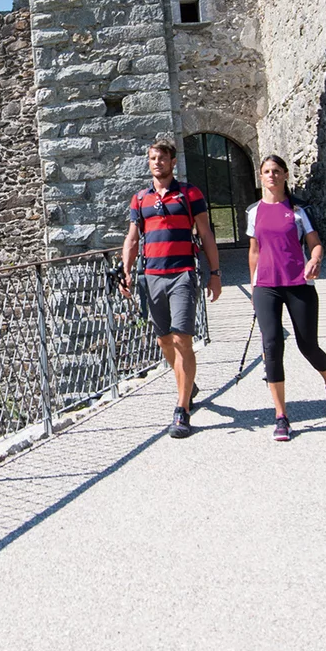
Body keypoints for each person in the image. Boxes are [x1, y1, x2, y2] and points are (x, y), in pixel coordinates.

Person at [120, 139, 223, 439]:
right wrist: (126, 272)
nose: (157, 163)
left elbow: (205, 233)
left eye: (162, 158)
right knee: (164, 341)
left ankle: (182, 409)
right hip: (151, 276)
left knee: (182, 339)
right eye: (153, 158)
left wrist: (215, 274)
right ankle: (187, 384)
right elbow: (132, 239)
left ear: (173, 161)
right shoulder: (139, 199)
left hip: (182, 274)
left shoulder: (190, 194)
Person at [247, 154, 326, 441]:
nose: (271, 176)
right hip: (266, 286)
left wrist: (315, 260)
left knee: (308, 346)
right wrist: (254, 288)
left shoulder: (299, 210)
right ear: (260, 177)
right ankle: (281, 416)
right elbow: (254, 250)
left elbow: (315, 245)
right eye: (266, 171)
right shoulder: (254, 212)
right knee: (272, 345)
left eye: (276, 171)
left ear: (286, 175)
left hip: (299, 284)